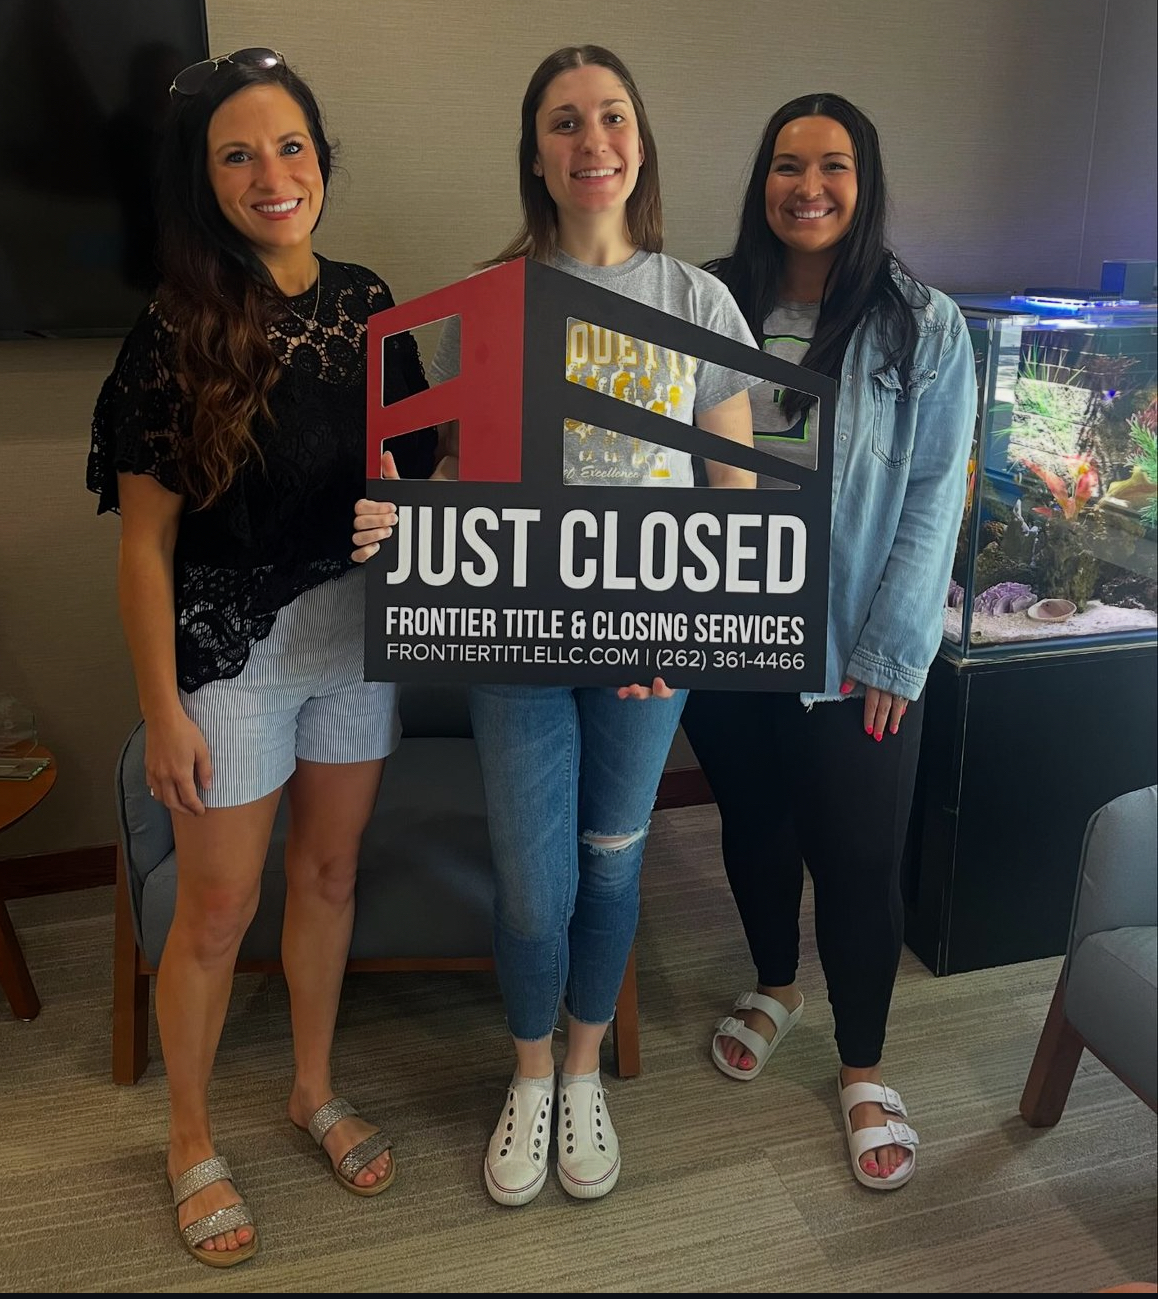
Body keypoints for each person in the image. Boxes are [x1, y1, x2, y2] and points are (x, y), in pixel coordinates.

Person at [353, 44, 759, 1206]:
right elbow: (454, 482)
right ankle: (529, 1074)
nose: (594, 142)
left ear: (641, 141)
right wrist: (403, 520)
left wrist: (686, 631)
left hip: (647, 655)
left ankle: (584, 1069)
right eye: (566, 122)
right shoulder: (484, 307)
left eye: (613, 116)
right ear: (535, 155)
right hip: (514, 646)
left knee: (612, 863)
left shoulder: (697, 302)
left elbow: (734, 501)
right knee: (534, 889)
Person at [87, 49, 433, 1265]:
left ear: (321, 159)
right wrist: (162, 710)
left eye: (290, 146)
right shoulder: (174, 329)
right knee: (219, 908)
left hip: (357, 644)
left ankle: (311, 1088)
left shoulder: (373, 301)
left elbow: (420, 469)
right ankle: (188, 1137)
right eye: (237, 154)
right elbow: (143, 547)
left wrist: (409, 500)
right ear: (206, 179)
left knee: (328, 877)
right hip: (231, 657)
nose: (271, 173)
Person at [681, 92, 976, 1191]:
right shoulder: (708, 300)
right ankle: (775, 984)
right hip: (727, 634)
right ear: (761, 179)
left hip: (853, 645)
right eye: (786, 164)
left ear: (865, 181)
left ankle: (862, 1065)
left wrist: (895, 653)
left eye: (833, 165)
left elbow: (934, 496)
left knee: (856, 859)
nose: (808, 187)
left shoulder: (921, 323)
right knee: (753, 827)